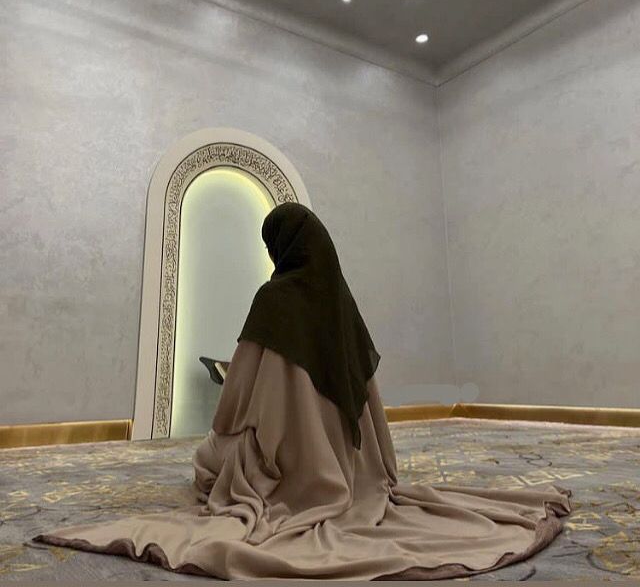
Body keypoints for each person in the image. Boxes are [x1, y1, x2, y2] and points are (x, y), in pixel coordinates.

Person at [35, 202, 571, 580]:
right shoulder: (343, 306)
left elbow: (235, 402)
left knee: (211, 456)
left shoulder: (275, 299)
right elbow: (372, 412)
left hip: (285, 466)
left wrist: (229, 442)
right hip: (356, 470)